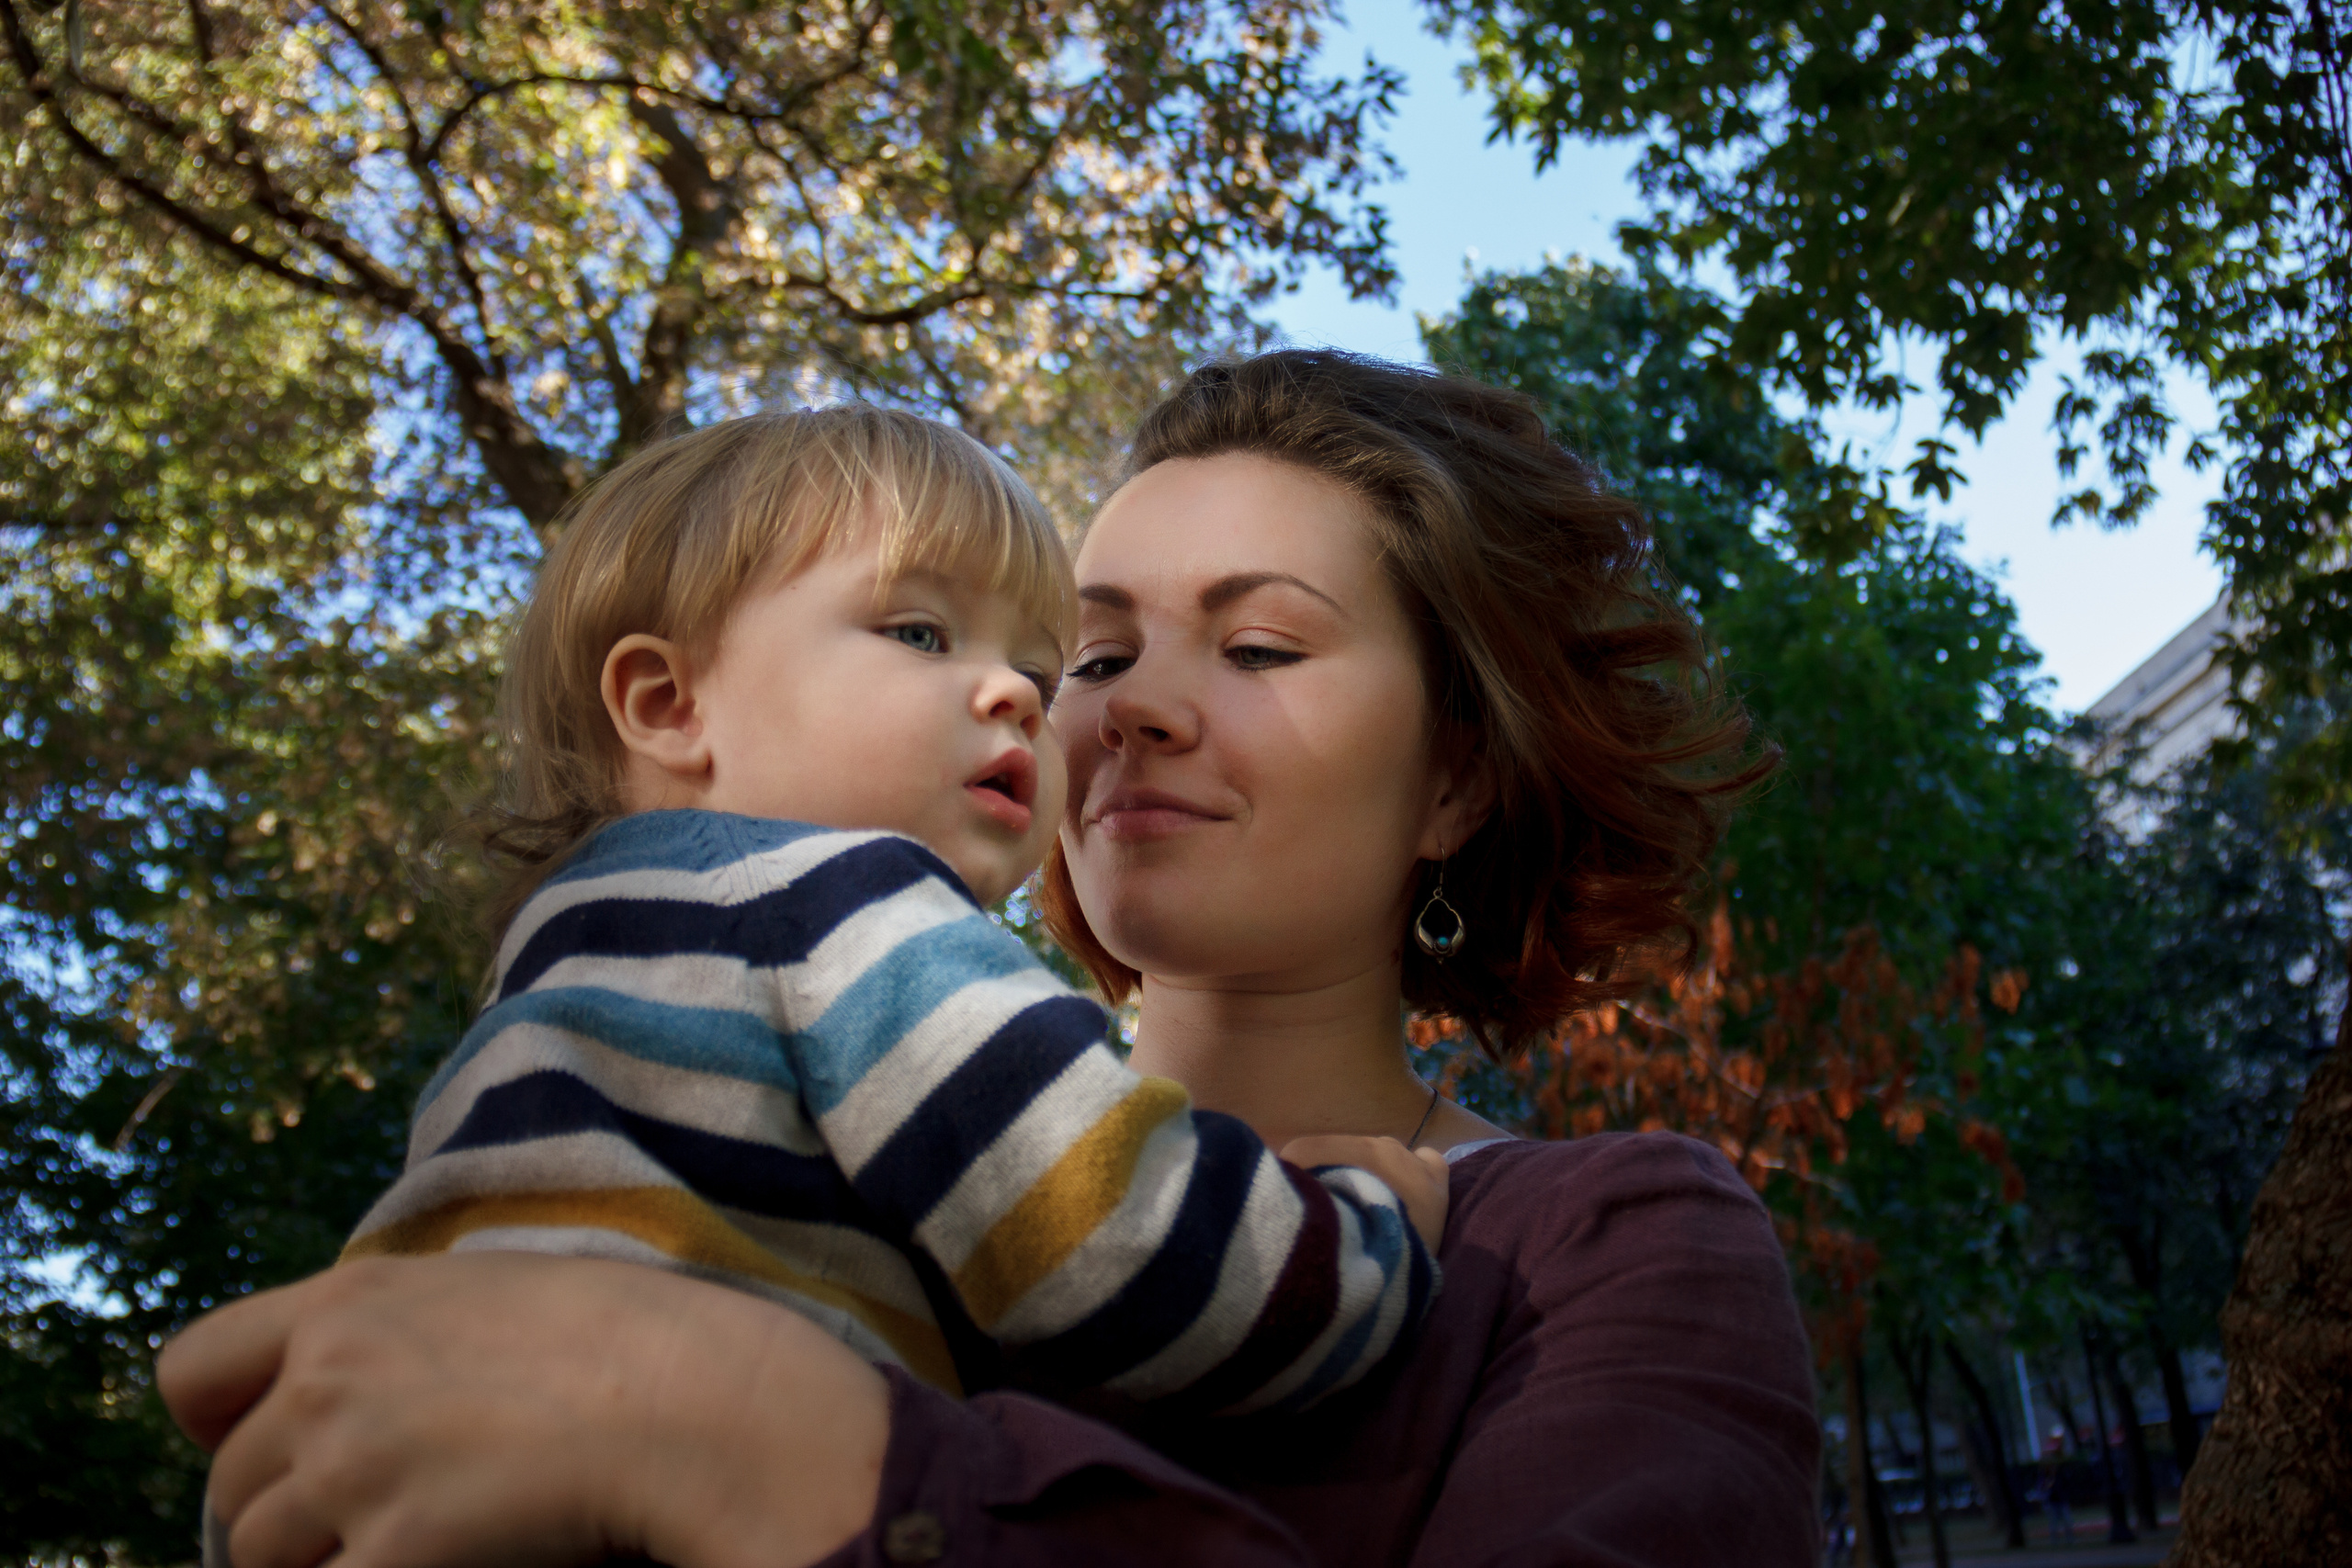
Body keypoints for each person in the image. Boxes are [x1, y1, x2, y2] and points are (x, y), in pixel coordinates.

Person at [160, 352, 1824, 1568]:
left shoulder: (1608, 1248)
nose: (1108, 703)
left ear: (1453, 778)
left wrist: (754, 1435)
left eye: (1255, 646)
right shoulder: (762, 1151)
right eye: (1095, 649)